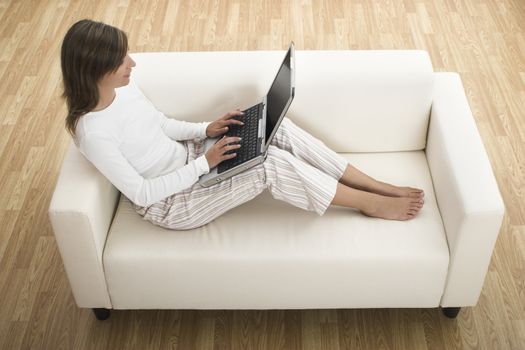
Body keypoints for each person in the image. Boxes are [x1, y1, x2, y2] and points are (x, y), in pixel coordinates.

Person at [61, 19, 425, 230]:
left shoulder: (122, 88)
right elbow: (141, 193)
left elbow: (158, 123)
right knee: (268, 166)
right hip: (173, 202)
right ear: (95, 69)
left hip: (191, 158)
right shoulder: (93, 133)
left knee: (271, 126)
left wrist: (206, 131)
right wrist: (207, 163)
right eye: (121, 60)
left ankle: (375, 185)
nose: (133, 63)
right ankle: (368, 203)